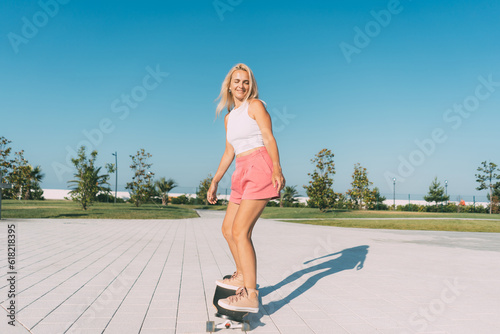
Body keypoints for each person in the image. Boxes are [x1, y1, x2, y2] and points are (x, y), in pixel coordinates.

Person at [207, 63, 285, 313]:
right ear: (229, 85)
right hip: (240, 171)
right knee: (228, 229)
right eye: (237, 81)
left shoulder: (256, 106)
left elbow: (269, 136)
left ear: (251, 85)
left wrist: (276, 168)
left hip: (259, 166)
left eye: (246, 82)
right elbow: (229, 150)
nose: (241, 86)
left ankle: (250, 294)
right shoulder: (229, 118)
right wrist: (215, 180)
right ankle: (241, 275)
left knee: (241, 231)